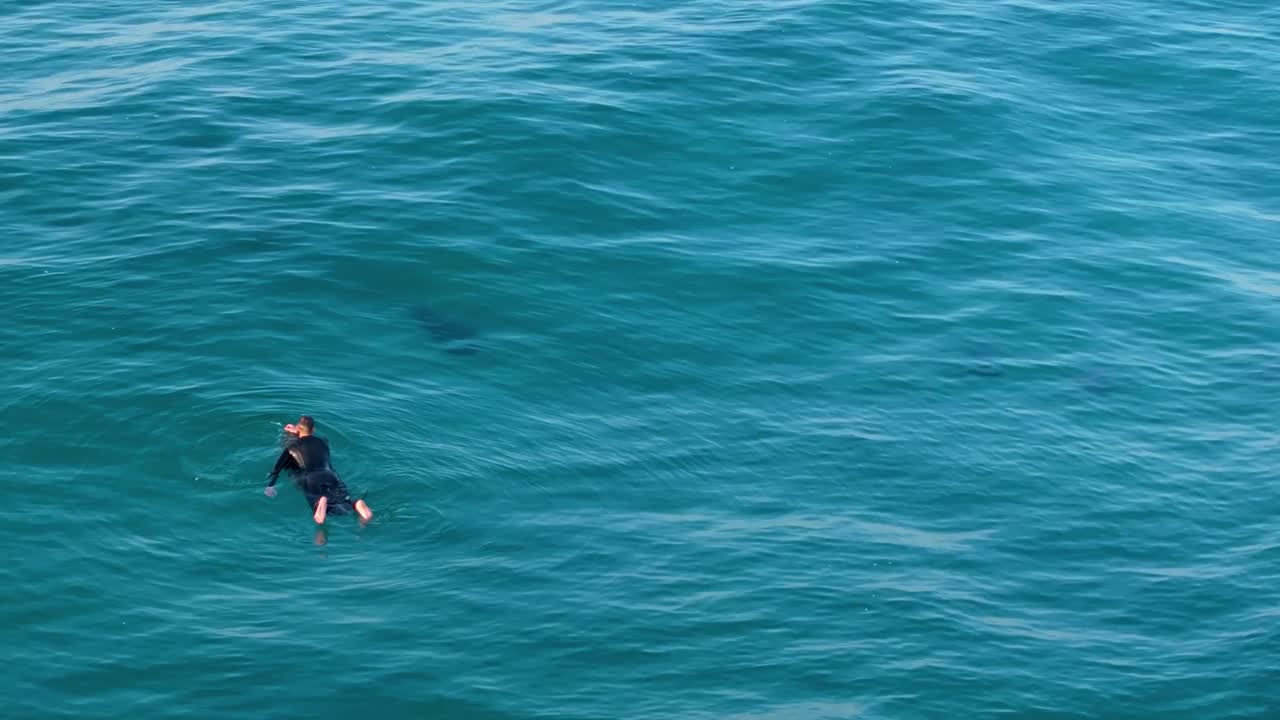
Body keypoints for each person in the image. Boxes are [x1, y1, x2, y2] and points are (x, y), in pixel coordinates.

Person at [265, 415, 373, 523]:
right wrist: (299, 431)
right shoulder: (323, 442)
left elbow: (277, 469)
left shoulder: (291, 447)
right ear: (313, 430)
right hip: (330, 475)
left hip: (312, 478)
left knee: (318, 506)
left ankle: (320, 503)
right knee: (343, 500)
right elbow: (310, 439)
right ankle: (356, 504)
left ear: (298, 428)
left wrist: (271, 485)